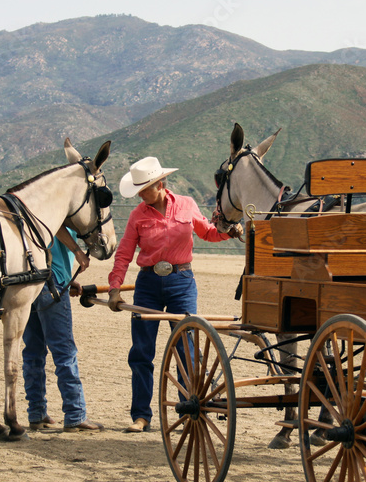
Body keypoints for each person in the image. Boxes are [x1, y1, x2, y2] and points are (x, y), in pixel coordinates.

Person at [107, 156, 241, 432]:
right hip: (148, 284)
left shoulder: (186, 205)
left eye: (144, 189)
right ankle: (141, 416)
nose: (140, 195)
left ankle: (188, 411)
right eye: (138, 190)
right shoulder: (137, 216)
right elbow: (124, 253)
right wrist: (114, 287)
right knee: (141, 351)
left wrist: (229, 233)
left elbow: (208, 233)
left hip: (182, 282)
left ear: (160, 184)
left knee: (186, 350)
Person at [22, 227, 104, 432]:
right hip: (52, 283)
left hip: (28, 282)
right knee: (64, 351)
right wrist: (77, 251)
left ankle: (36, 413)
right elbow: (56, 228)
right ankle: (75, 414)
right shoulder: (61, 215)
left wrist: (69, 279)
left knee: (33, 351)